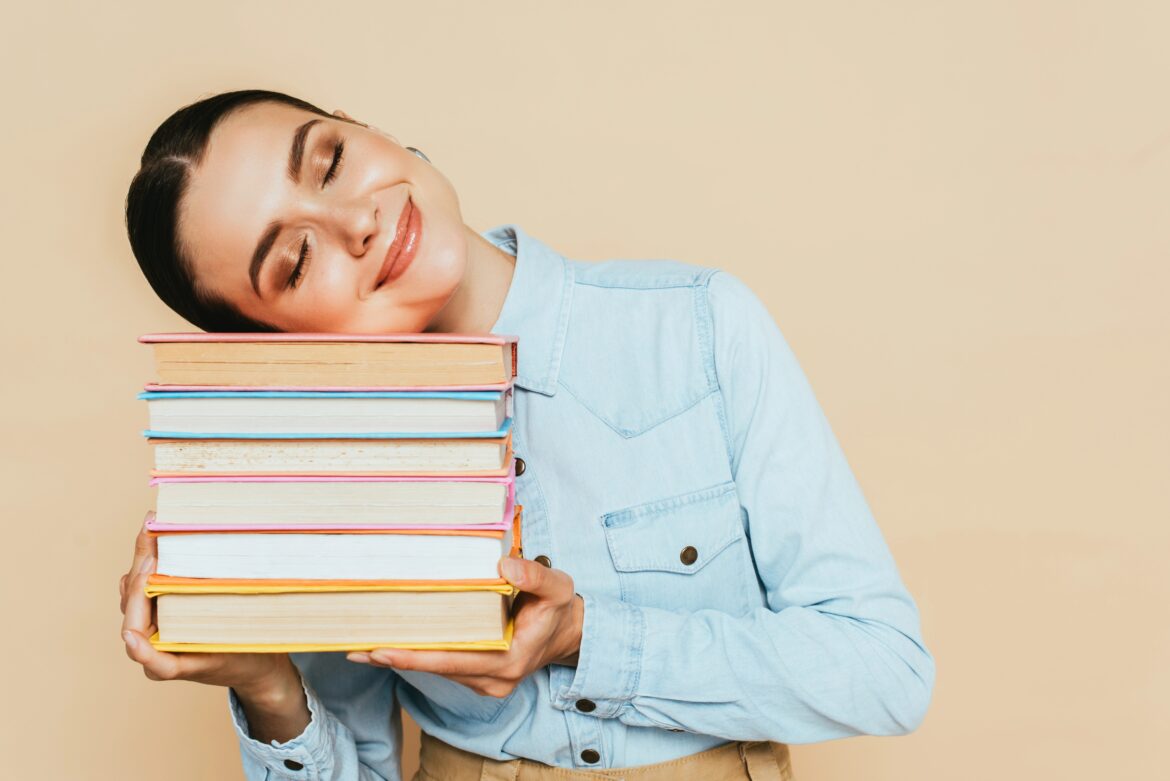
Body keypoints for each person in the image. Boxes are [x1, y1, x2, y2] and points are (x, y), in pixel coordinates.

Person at [119, 89, 934, 781]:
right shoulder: (318, 463)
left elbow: (886, 673)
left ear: (363, 125)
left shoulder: (696, 323)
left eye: (328, 159)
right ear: (273, 340)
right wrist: (265, 681)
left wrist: (589, 637)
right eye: (294, 261)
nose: (354, 222)